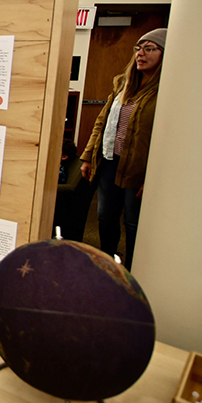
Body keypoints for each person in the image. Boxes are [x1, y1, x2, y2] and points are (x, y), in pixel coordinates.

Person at [79, 28, 166, 270]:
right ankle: (107, 265)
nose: (141, 54)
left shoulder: (166, 91)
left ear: (164, 54)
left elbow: (169, 137)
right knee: (105, 217)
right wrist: (87, 157)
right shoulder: (123, 84)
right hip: (109, 161)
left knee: (134, 223)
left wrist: (154, 177)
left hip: (138, 169)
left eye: (149, 49)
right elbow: (101, 122)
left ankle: (135, 270)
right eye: (139, 48)